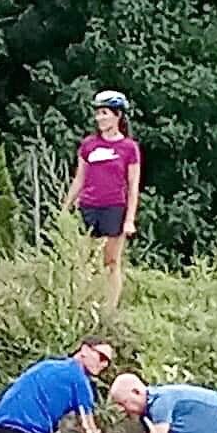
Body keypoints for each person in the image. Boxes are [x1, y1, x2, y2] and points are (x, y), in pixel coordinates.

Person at [61, 90, 141, 311]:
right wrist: (65, 207)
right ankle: (85, 304)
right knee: (85, 261)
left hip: (114, 207)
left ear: (117, 116)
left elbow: (133, 186)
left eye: (105, 113)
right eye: (98, 114)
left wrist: (130, 219)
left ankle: (110, 309)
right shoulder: (88, 145)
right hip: (88, 206)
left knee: (111, 261)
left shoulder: (128, 148)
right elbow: (80, 178)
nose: (100, 118)